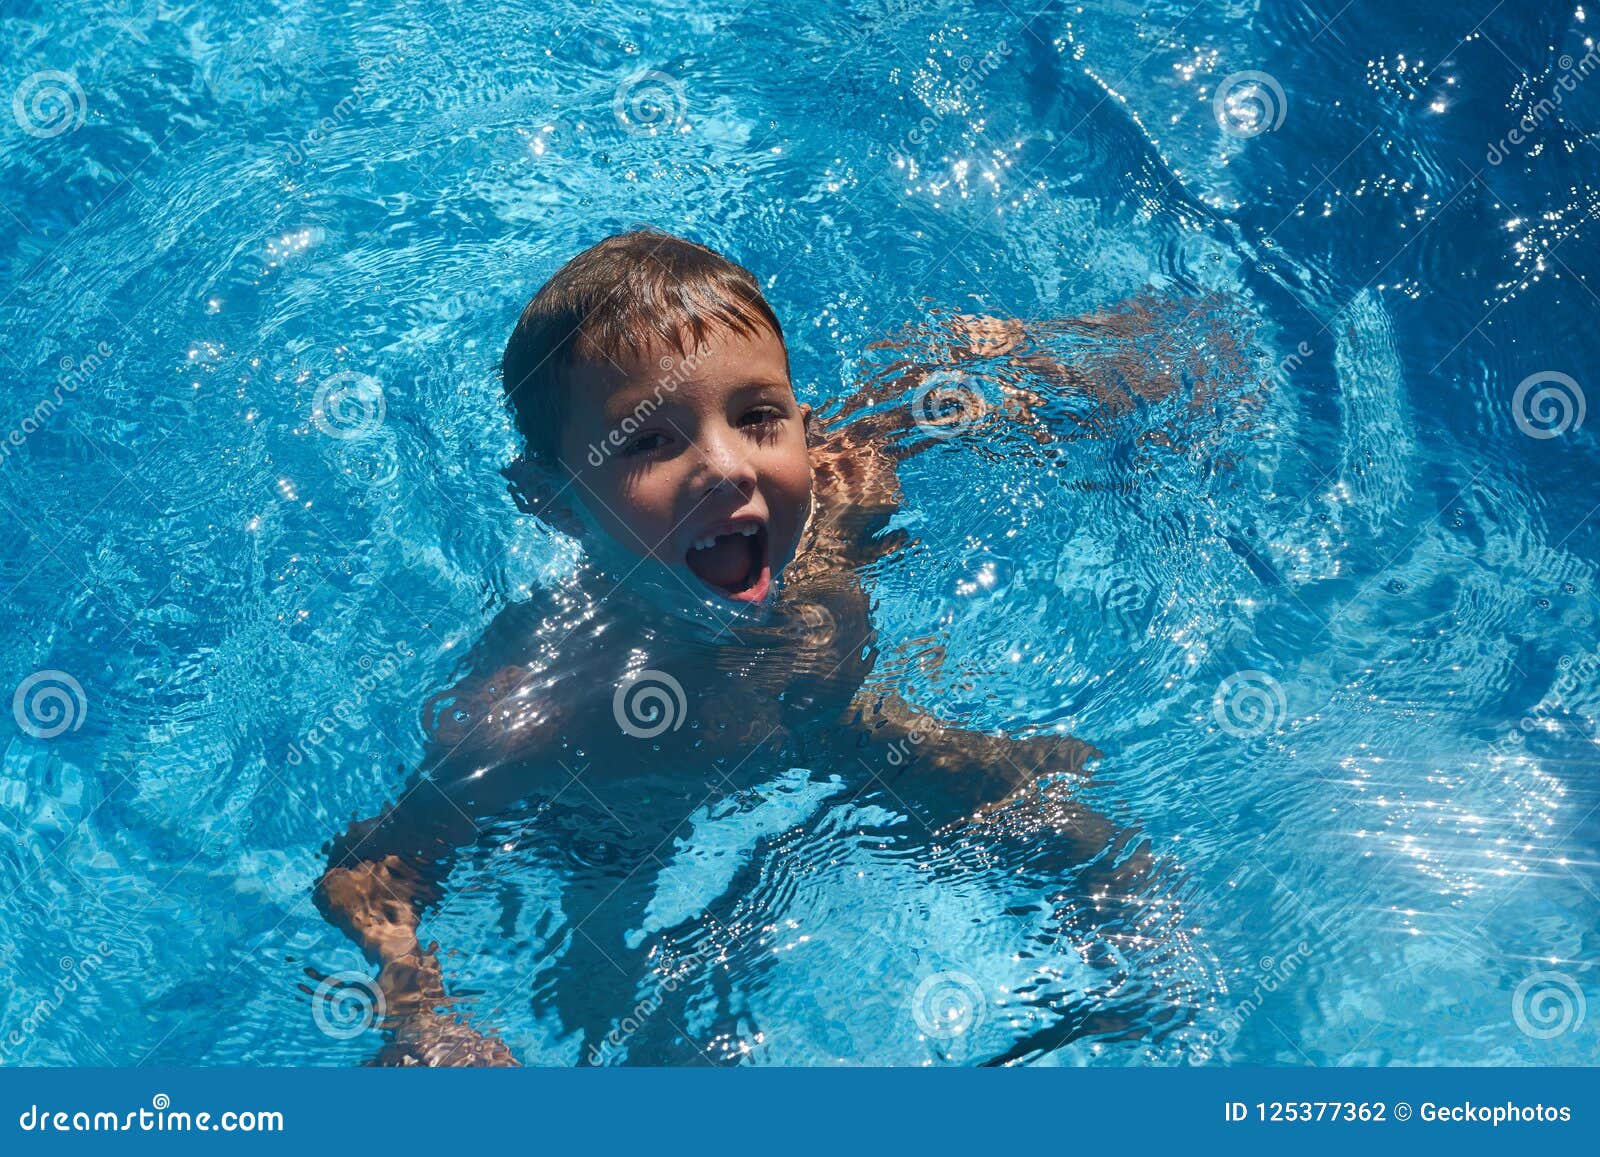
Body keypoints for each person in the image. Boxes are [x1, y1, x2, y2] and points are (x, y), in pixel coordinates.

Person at [312, 229, 1181, 1065]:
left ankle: (1159, 1014)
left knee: (1069, 823)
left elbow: (934, 386)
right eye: (649, 439)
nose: (728, 466)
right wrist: (417, 1013)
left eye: (759, 417)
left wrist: (1107, 365)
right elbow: (367, 871)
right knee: (644, 1040)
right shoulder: (543, 703)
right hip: (625, 830)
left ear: (802, 430)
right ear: (555, 499)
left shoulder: (834, 511)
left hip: (841, 729)